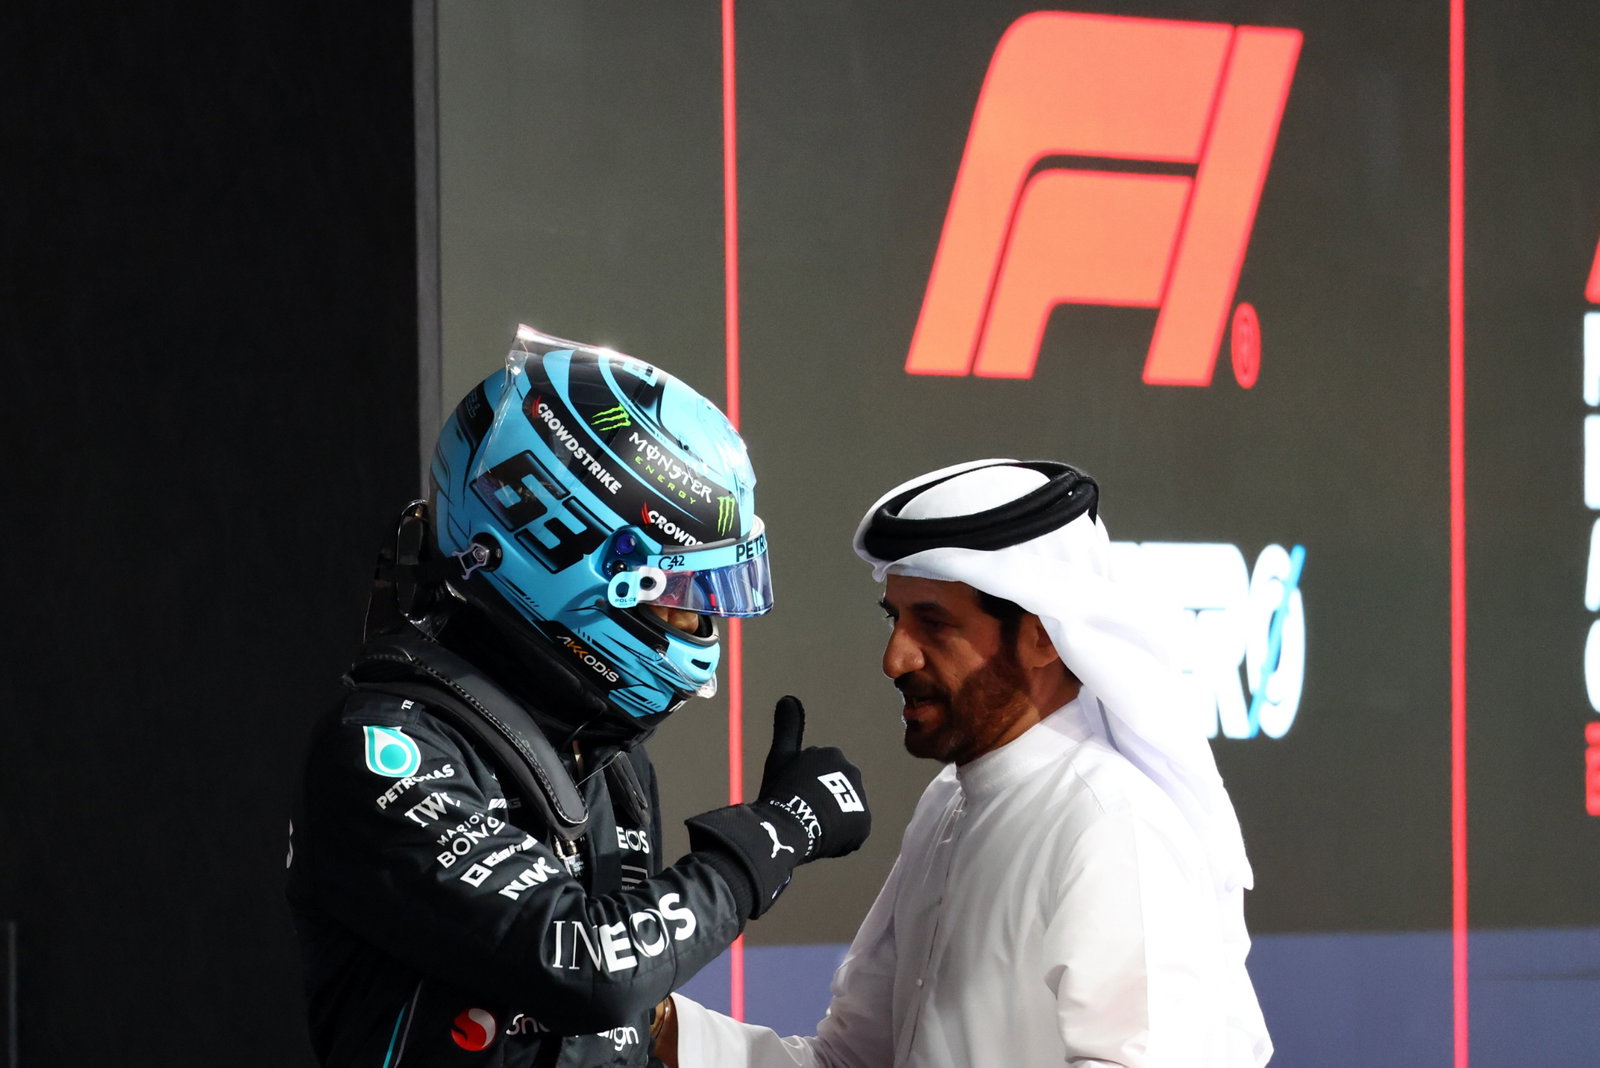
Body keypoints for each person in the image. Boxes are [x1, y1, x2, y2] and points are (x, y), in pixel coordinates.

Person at [286, 326, 871, 1067]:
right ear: (563, 549)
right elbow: (585, 962)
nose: (702, 628)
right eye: (684, 596)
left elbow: (614, 1028)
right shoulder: (380, 750)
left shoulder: (605, 765)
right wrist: (771, 840)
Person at [659, 459, 1271, 1067]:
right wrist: (647, 1022)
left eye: (935, 623)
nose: (895, 658)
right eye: (895, 619)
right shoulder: (948, 803)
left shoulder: (1113, 825)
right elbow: (849, 1062)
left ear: (1043, 637)